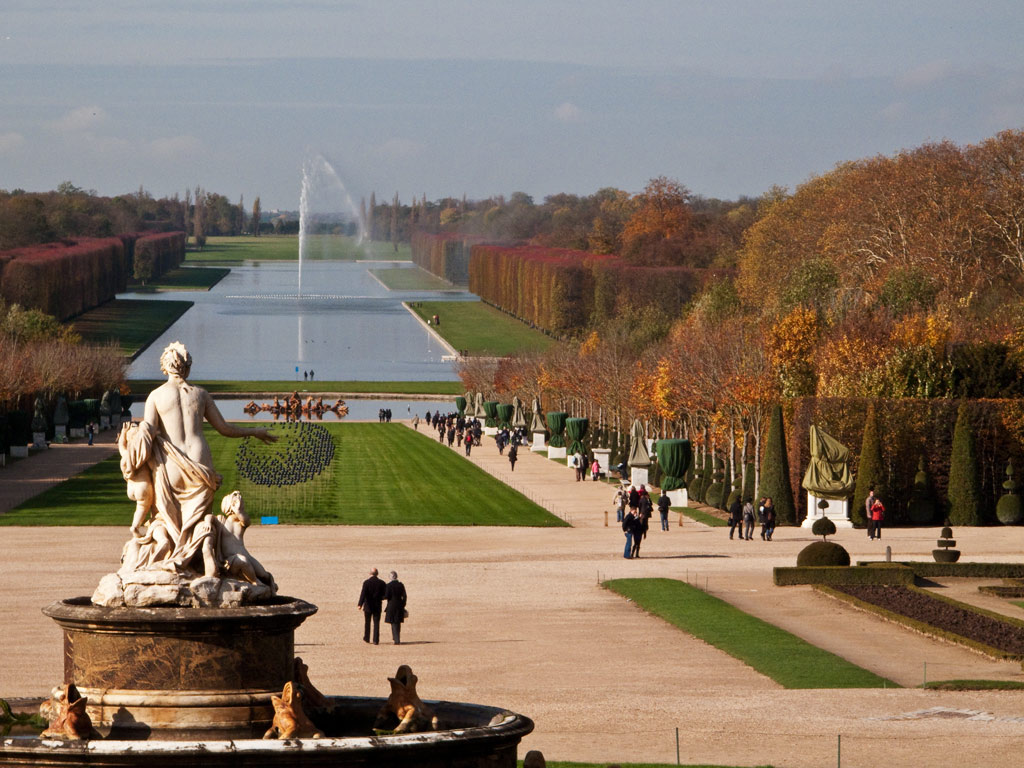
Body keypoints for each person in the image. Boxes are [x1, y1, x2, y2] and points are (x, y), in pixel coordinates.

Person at [357, 567, 387, 644]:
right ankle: (375, 640)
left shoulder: (366, 583)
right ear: (377, 574)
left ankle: (367, 638)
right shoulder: (382, 583)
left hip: (368, 606)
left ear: (370, 573)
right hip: (377, 606)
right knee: (376, 623)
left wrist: (360, 604)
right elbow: (386, 594)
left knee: (367, 622)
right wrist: (381, 598)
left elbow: (363, 594)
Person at [384, 571, 407, 645]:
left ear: (390, 577)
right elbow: (405, 596)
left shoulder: (388, 586)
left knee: (393, 622)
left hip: (391, 605)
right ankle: (396, 637)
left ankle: (396, 639)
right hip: (399, 605)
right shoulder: (401, 585)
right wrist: (403, 604)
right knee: (398, 622)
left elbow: (386, 596)